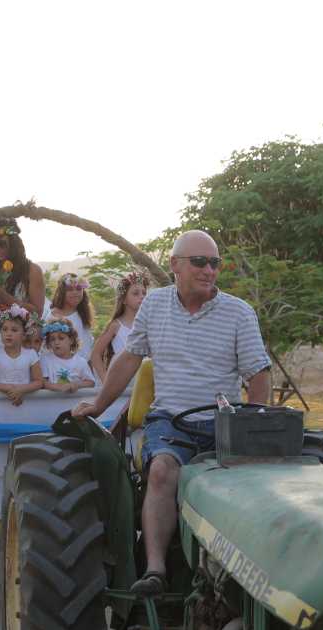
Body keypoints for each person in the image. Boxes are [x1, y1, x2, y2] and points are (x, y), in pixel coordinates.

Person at [73, 230, 270, 596]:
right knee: (162, 470)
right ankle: (155, 570)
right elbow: (129, 358)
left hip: (223, 421)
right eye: (200, 262)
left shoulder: (239, 312)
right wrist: (99, 404)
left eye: (215, 263)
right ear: (175, 265)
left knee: (246, 483)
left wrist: (252, 429)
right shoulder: (155, 305)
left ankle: (241, 574)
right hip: (170, 420)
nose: (209, 270)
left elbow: (258, 375)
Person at [0, 218, 45, 320]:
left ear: (13, 243)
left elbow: (38, 313)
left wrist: (5, 297)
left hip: (23, 328)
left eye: (2, 243)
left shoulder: (32, 271)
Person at [91, 271, 149, 381]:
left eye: (144, 293)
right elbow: (95, 354)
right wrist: (105, 379)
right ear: (124, 300)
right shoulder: (116, 325)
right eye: (135, 293)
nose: (142, 296)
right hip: (122, 380)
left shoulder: (149, 324)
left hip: (144, 379)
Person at [0, 305, 43, 406]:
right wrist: (10, 388)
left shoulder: (31, 355)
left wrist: (21, 389)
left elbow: (39, 381)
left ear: (24, 335)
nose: (9, 334)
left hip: (25, 404)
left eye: (14, 330)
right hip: (0, 404)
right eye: (5, 329)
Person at [44, 273, 95, 360]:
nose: (75, 292)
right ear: (62, 293)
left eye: (79, 288)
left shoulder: (82, 314)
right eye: (70, 289)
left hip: (81, 364)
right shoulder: (52, 315)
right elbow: (47, 345)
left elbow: (87, 345)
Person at [39, 319, 96, 394]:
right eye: (52, 339)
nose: (56, 342)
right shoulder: (45, 360)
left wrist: (77, 385)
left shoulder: (81, 362)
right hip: (52, 400)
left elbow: (91, 382)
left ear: (71, 340)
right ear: (49, 343)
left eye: (61, 338)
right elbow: (43, 382)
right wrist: (60, 387)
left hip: (74, 401)